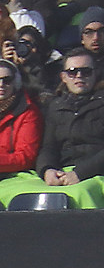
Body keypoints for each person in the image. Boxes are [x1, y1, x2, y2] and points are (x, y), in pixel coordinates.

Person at [36, 49, 103, 186]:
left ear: (95, 74)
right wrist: (47, 169)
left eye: (86, 71)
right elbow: (48, 147)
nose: (79, 76)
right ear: (63, 77)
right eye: (72, 72)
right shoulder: (55, 106)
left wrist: (80, 173)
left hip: (96, 173)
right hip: (64, 172)